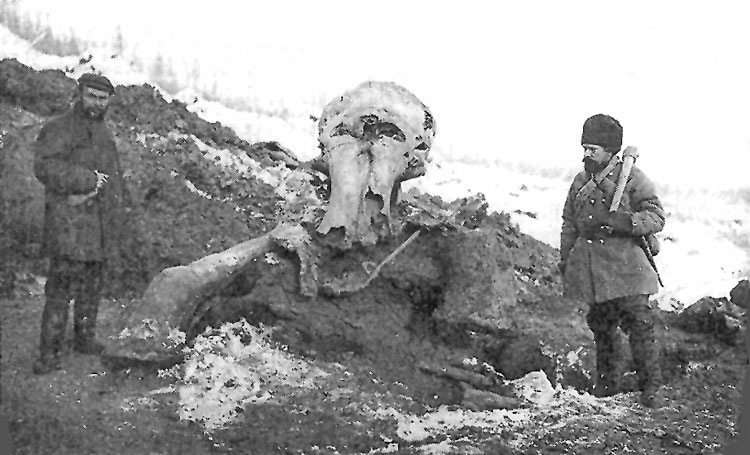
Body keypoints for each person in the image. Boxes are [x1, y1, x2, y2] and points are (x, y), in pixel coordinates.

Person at [559, 113, 666, 408]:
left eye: (593, 149)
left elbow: (657, 216)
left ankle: (651, 388)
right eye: (585, 148)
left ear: (610, 151)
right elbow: (569, 223)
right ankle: (607, 386)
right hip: (595, 270)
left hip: (628, 267)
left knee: (640, 326)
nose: (586, 154)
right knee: (602, 327)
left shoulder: (632, 178)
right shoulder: (580, 182)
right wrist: (566, 260)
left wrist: (626, 221)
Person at [32, 73, 127, 374]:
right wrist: (86, 180)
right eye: (91, 96)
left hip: (98, 227)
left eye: (102, 99)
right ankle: (48, 354)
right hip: (68, 224)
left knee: (91, 287)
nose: (96, 103)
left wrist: (118, 216)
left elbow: (113, 179)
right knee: (60, 290)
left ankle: (84, 339)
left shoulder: (104, 134)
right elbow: (45, 167)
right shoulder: (58, 128)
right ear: (79, 94)